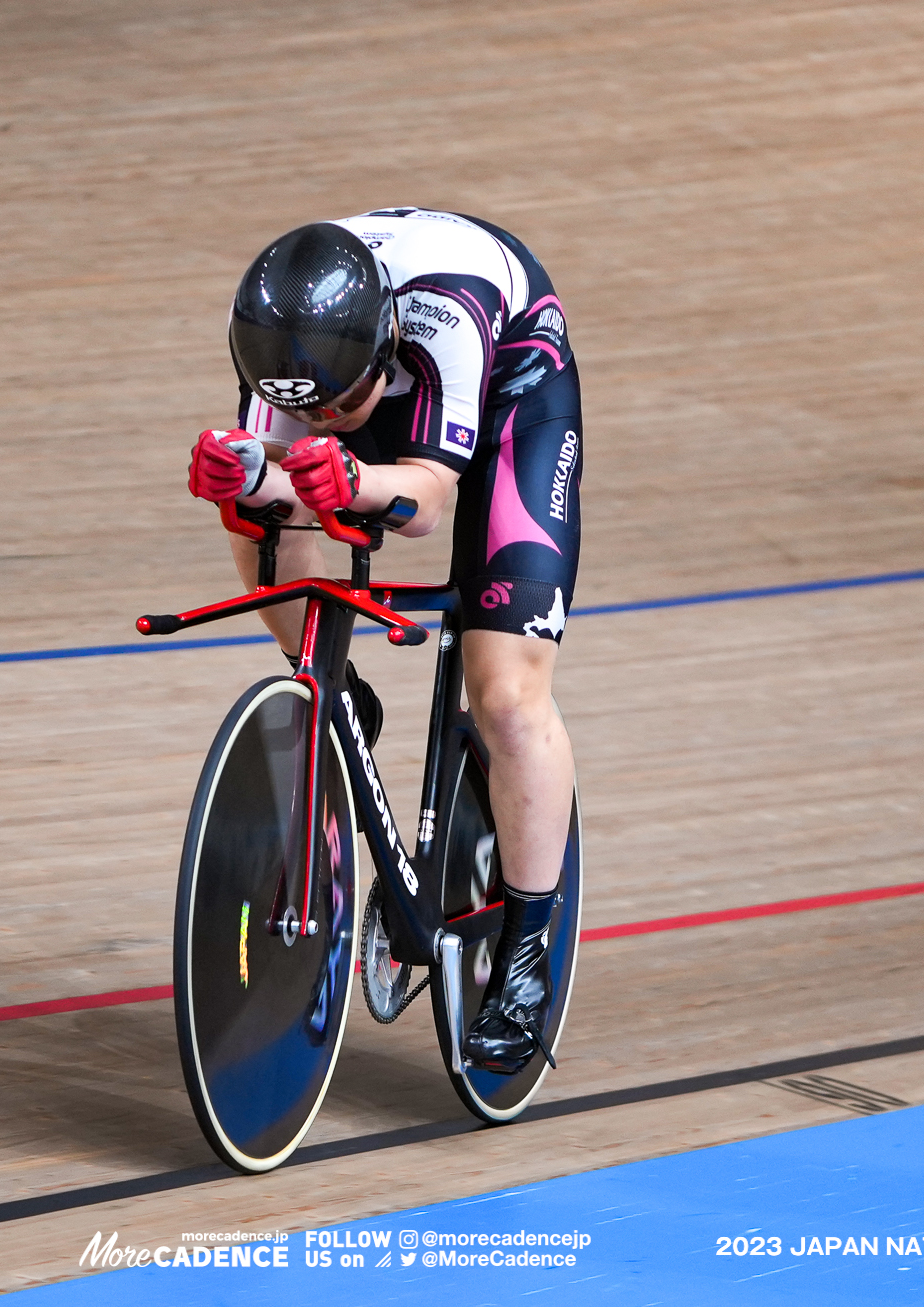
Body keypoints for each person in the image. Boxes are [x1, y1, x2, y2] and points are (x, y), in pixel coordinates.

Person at [185, 208, 582, 1074]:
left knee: (507, 697)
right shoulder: (274, 337)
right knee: (256, 515)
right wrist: (242, 480)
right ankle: (339, 697)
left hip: (512, 387)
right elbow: (271, 495)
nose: (326, 416)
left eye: (344, 403)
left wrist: (354, 476)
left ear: (384, 347)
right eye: (311, 408)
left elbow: (427, 505)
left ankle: (523, 952)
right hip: (376, 387)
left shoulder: (444, 314)